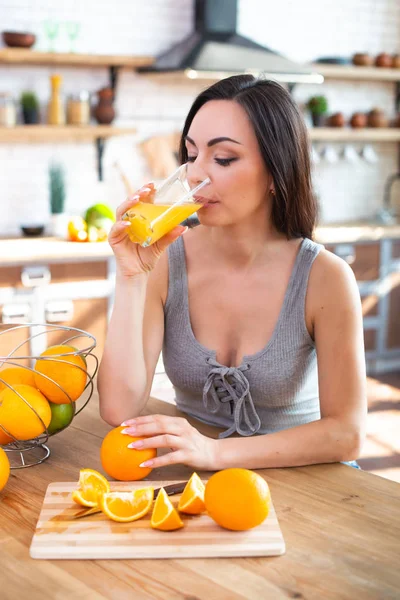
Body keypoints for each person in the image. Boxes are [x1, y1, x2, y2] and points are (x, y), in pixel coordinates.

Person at [98, 75, 367, 472]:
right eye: (190, 155)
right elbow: (118, 409)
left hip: (312, 484)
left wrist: (215, 453)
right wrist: (131, 277)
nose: (194, 174)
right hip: (200, 482)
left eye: (223, 159)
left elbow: (347, 434)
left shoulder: (324, 277)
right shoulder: (166, 261)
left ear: (277, 172)